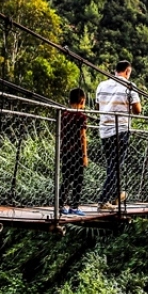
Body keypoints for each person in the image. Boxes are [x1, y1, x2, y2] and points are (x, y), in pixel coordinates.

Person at [95, 60, 141, 210]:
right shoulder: (129, 86)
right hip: (120, 130)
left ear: (115, 71)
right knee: (116, 167)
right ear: (127, 71)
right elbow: (137, 110)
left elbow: (97, 107)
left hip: (104, 131)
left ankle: (116, 194)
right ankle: (103, 200)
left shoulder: (101, 85)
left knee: (111, 165)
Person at [59, 88, 89, 216]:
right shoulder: (81, 116)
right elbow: (83, 137)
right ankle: (74, 206)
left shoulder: (64, 114)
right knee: (78, 179)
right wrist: (85, 156)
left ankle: (60, 205)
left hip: (65, 151)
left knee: (66, 179)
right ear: (82, 101)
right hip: (76, 152)